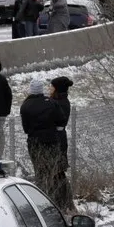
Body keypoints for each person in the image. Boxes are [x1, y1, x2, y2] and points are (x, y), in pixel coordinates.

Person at [20, 78, 67, 197]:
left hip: (34, 141)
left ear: (31, 90)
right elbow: (61, 121)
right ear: (41, 90)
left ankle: (41, 196)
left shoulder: (25, 105)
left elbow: (26, 128)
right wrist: (54, 131)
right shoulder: (51, 102)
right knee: (53, 170)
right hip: (51, 140)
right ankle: (56, 196)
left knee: (40, 171)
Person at [50, 76, 76, 213]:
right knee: (58, 172)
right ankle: (65, 203)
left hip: (57, 140)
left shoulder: (58, 103)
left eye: (52, 86)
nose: (50, 89)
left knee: (57, 172)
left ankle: (63, 202)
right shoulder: (61, 101)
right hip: (60, 139)